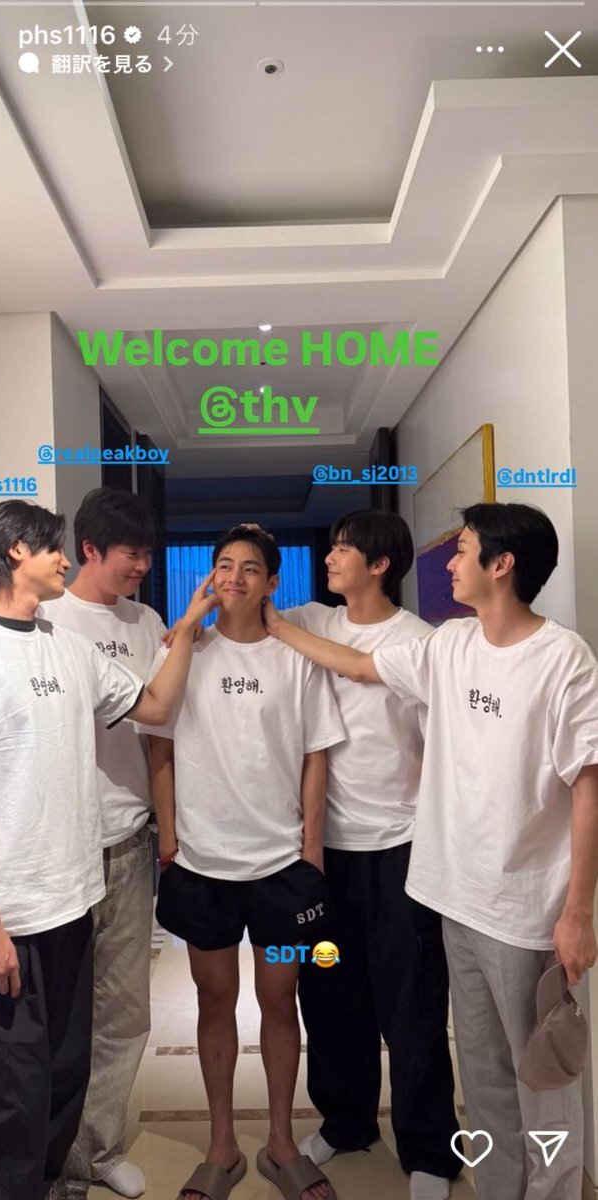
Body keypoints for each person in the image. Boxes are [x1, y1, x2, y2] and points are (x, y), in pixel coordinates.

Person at [263, 502, 598, 1200]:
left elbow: (586, 785)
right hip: (448, 891)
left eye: (462, 549)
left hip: (517, 904)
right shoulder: (450, 644)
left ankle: (533, 1183)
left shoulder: (561, 657)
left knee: (538, 1072)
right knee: (479, 1069)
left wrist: (577, 911)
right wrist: (264, 619)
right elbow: (359, 665)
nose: (448, 563)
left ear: (501, 565)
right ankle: (495, 1184)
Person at [0, 499, 217, 1200]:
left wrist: (185, 628)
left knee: (58, 1082)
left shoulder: (68, 647)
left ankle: (52, 1182)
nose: (63, 558)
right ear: (15, 551)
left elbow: (154, 708)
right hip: (2, 922)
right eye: (52, 547)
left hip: (71, 904)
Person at [149, 524, 345, 1200]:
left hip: (281, 870)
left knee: (280, 999)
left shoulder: (296, 659)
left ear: (271, 582)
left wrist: (311, 850)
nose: (235, 577)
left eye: (250, 568)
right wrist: (168, 836)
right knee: (214, 1001)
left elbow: (316, 756)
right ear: (210, 576)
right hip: (202, 865)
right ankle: (222, 1145)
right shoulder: (184, 651)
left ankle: (282, 1143)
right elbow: (158, 748)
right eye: (224, 565)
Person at [279, 511, 460, 1200]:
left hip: (398, 850)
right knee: (328, 991)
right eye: (330, 547)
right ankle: (346, 1121)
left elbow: (440, 748)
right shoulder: (314, 620)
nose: (330, 557)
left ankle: (430, 1151)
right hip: (323, 854)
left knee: (410, 1003)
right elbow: (253, 611)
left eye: (344, 549)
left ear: (380, 564)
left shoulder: (418, 643)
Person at [38, 488, 166, 1200]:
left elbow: (160, 727)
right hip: (61, 847)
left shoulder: (146, 622)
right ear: (89, 549)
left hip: (128, 838)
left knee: (124, 1009)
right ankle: (53, 1157)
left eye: (147, 554)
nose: (142, 567)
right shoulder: (45, 619)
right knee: (60, 1013)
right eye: (130, 554)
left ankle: (98, 1146)